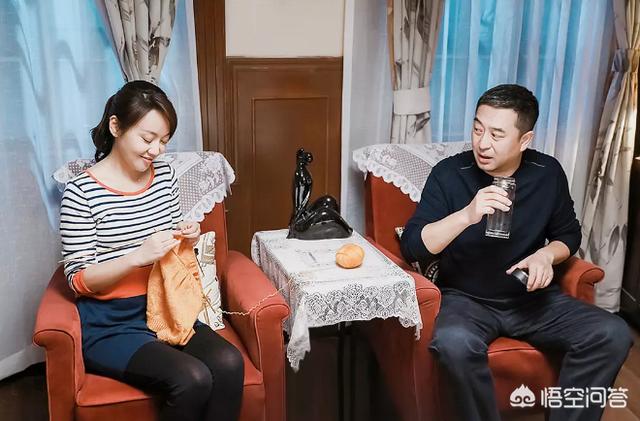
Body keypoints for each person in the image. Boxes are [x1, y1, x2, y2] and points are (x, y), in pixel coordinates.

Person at [400, 84, 633, 421]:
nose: (482, 143)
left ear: (525, 140)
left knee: (612, 333)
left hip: (532, 299)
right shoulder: (450, 174)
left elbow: (568, 234)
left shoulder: (547, 173)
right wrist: (466, 215)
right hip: (467, 299)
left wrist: (546, 256)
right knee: (454, 343)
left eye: (496, 134)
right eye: (478, 129)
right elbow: (413, 246)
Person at [60, 80, 243, 421]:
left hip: (166, 307)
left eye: (164, 141)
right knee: (192, 379)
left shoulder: (164, 177)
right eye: (147, 139)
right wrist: (136, 257)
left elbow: (171, 241)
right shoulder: (81, 193)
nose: (156, 150)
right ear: (116, 126)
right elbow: (78, 280)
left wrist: (187, 234)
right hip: (111, 324)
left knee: (229, 363)